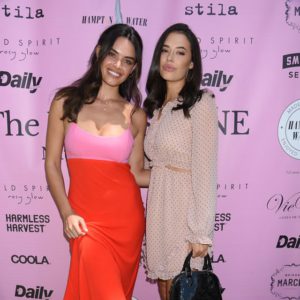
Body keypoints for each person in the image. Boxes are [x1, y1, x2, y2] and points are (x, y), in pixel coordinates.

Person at [45, 24, 149, 300]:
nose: (118, 65)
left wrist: (181, 172)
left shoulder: (135, 116)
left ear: (134, 68)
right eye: (113, 55)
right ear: (99, 52)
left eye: (127, 61)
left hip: (127, 223)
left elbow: (137, 174)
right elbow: (53, 164)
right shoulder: (66, 102)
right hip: (85, 222)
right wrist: (67, 213)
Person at [143, 23, 218, 300]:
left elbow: (205, 171)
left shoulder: (201, 103)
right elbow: (154, 170)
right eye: (165, 51)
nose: (169, 58)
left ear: (191, 63)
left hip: (184, 215)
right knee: (167, 292)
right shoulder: (159, 108)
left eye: (179, 52)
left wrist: (201, 232)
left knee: (184, 292)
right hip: (159, 213)